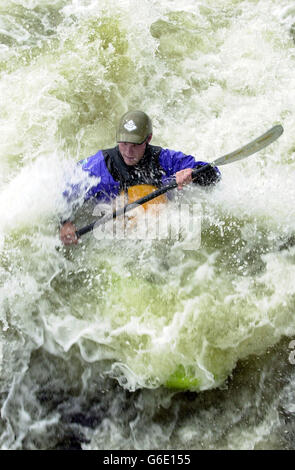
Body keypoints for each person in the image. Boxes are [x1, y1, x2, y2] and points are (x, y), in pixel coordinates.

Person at [60, 110, 221, 245]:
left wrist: (192, 174)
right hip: (114, 234)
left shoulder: (163, 159)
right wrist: (65, 223)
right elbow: (63, 193)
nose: (128, 152)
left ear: (148, 139)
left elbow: (214, 175)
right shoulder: (98, 167)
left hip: (158, 230)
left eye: (135, 145)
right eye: (124, 144)